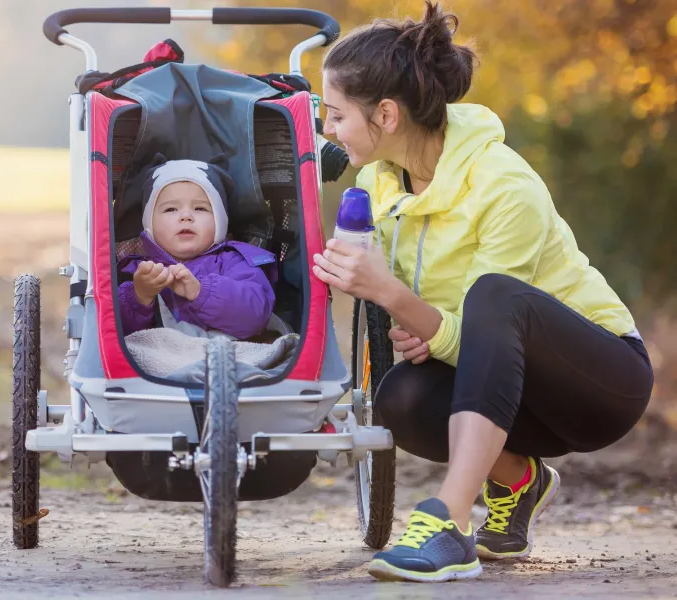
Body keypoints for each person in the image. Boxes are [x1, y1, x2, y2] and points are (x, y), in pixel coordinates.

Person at [313, 1, 654, 583]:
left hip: (600, 382)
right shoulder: (376, 184)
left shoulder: (503, 184)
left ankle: (448, 520)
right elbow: (455, 333)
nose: (328, 130)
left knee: (497, 295)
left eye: (336, 115)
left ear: (387, 115)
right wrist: (418, 322)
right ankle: (520, 479)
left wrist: (397, 298)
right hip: (510, 393)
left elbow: (491, 314)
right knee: (401, 398)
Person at [117, 158, 276, 340]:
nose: (186, 216)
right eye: (171, 209)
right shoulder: (136, 270)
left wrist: (201, 292)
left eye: (200, 208)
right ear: (149, 225)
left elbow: (255, 317)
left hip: (225, 357)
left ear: (219, 222)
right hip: (160, 362)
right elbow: (115, 334)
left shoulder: (235, 261)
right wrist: (140, 296)